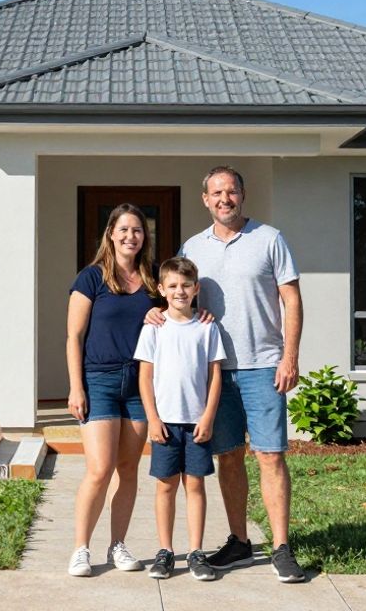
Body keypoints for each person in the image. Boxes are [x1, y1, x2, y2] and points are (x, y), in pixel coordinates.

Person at [146, 165, 307, 583]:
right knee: (229, 456)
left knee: (270, 455)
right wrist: (155, 312)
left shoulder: (270, 239)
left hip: (263, 365)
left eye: (231, 191)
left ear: (242, 195)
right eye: (216, 193)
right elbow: (177, 295)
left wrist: (289, 356)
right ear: (205, 199)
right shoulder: (192, 246)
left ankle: (281, 547)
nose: (224, 199)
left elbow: (291, 298)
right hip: (213, 373)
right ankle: (238, 540)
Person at [65, 203, 160, 577]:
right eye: (123, 229)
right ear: (110, 234)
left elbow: (175, 317)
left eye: (137, 230)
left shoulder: (153, 280)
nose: (130, 236)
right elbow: (74, 337)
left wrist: (161, 315)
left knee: (128, 469)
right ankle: (80, 548)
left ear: (144, 237)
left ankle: (117, 544)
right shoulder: (91, 278)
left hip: (139, 383)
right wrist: (76, 387)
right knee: (99, 469)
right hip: (99, 380)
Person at [134, 256, 226, 581]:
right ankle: (166, 552)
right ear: (161, 289)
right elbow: (145, 378)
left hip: (197, 421)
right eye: (172, 285)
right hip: (165, 423)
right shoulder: (154, 329)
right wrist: (153, 418)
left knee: (196, 485)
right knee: (165, 487)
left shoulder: (206, 327)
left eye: (186, 285)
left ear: (196, 288)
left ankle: (197, 552)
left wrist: (209, 417)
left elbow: (215, 376)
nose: (180, 291)